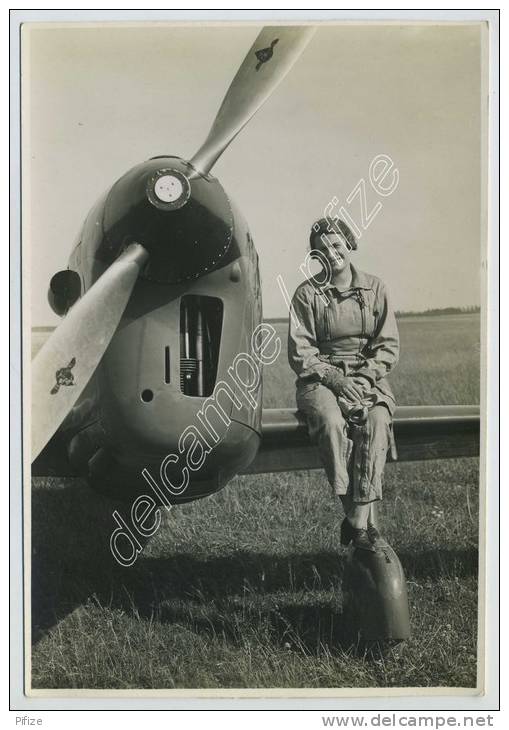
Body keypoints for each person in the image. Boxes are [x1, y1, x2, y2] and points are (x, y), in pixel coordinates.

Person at [288, 217, 400, 552]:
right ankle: (357, 517)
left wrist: (363, 378)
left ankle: (355, 523)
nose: (331, 253)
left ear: (349, 245)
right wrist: (337, 380)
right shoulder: (306, 295)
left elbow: (388, 344)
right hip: (320, 377)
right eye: (321, 250)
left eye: (336, 245)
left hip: (368, 374)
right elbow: (301, 351)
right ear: (315, 257)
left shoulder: (376, 288)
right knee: (332, 422)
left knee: (377, 420)